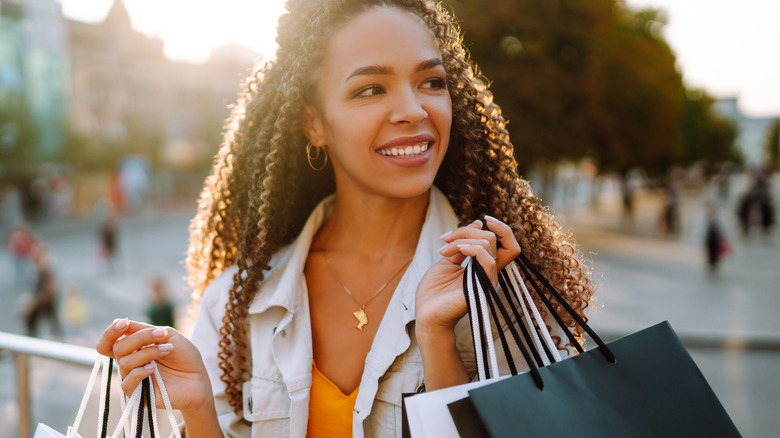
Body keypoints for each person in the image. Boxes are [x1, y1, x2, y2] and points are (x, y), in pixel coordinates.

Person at [97, 1, 594, 437]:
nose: (413, 109)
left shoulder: (499, 289)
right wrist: (198, 408)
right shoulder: (234, 303)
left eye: (431, 82)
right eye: (370, 89)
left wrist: (440, 343)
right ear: (314, 122)